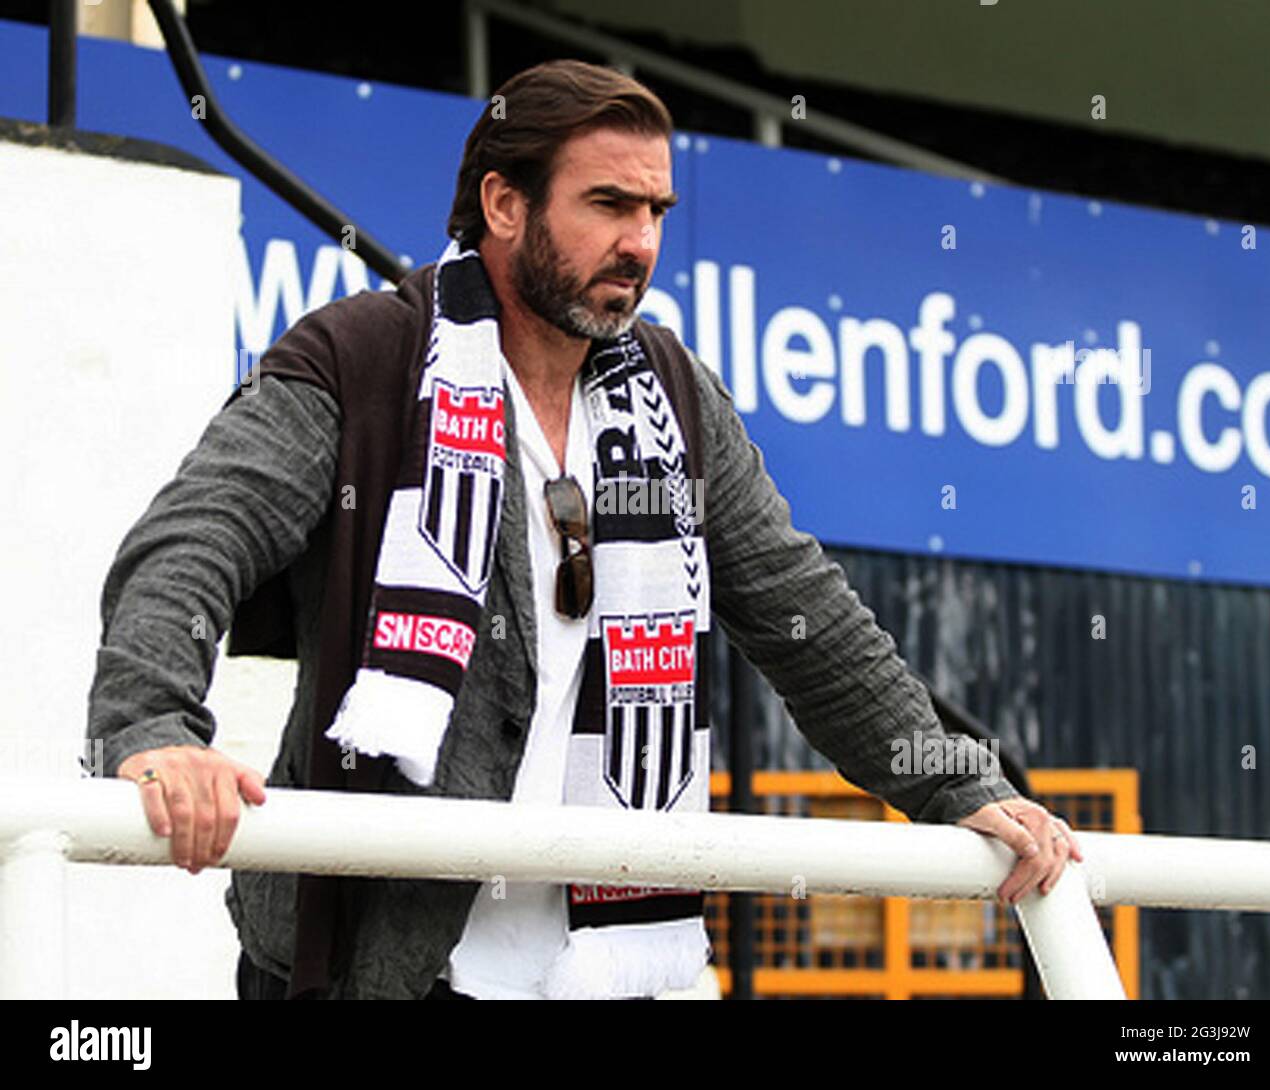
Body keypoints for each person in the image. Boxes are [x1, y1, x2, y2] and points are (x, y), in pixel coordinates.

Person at [86, 59, 1081, 1001]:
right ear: (504, 205)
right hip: (374, 964)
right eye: (608, 204)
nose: (641, 241)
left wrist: (955, 782)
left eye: (655, 211)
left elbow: (807, 618)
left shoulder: (676, 399)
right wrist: (155, 730)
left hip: (597, 968)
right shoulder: (363, 359)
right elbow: (188, 547)